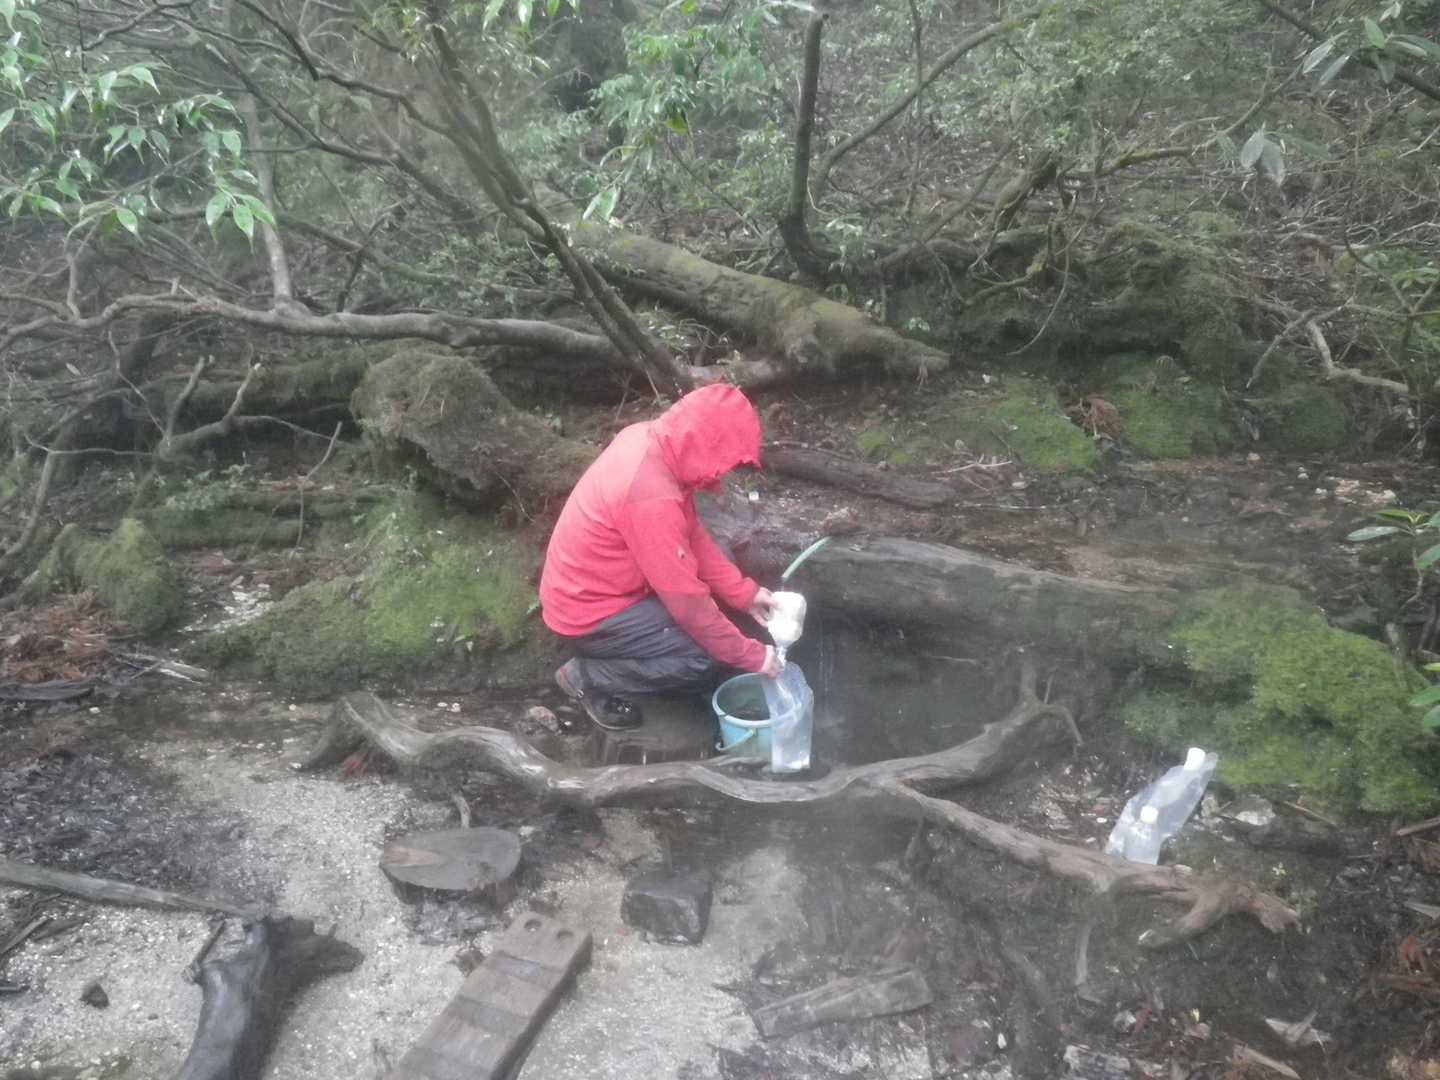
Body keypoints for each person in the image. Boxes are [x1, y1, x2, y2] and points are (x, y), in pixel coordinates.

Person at [539, 384, 784, 729]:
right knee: (701, 657)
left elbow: (691, 533)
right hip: (589, 613)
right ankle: (587, 676)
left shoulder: (650, 441)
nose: (721, 474)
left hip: (596, 589)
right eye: (722, 461)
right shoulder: (650, 497)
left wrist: (744, 594)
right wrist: (752, 656)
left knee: (715, 618)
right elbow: (688, 604)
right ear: (701, 443)